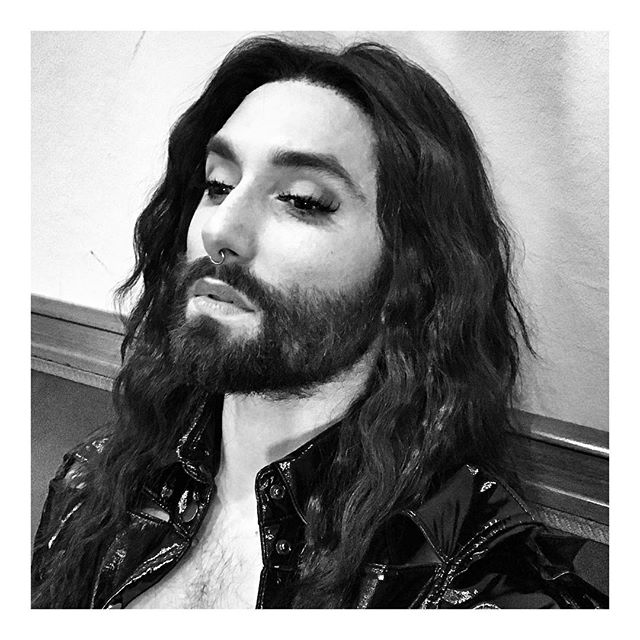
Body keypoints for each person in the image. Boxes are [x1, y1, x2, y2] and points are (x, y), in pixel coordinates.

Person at [31, 35, 607, 609]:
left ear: (412, 271)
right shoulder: (94, 484)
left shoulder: (485, 595)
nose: (219, 230)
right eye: (217, 184)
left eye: (303, 200)